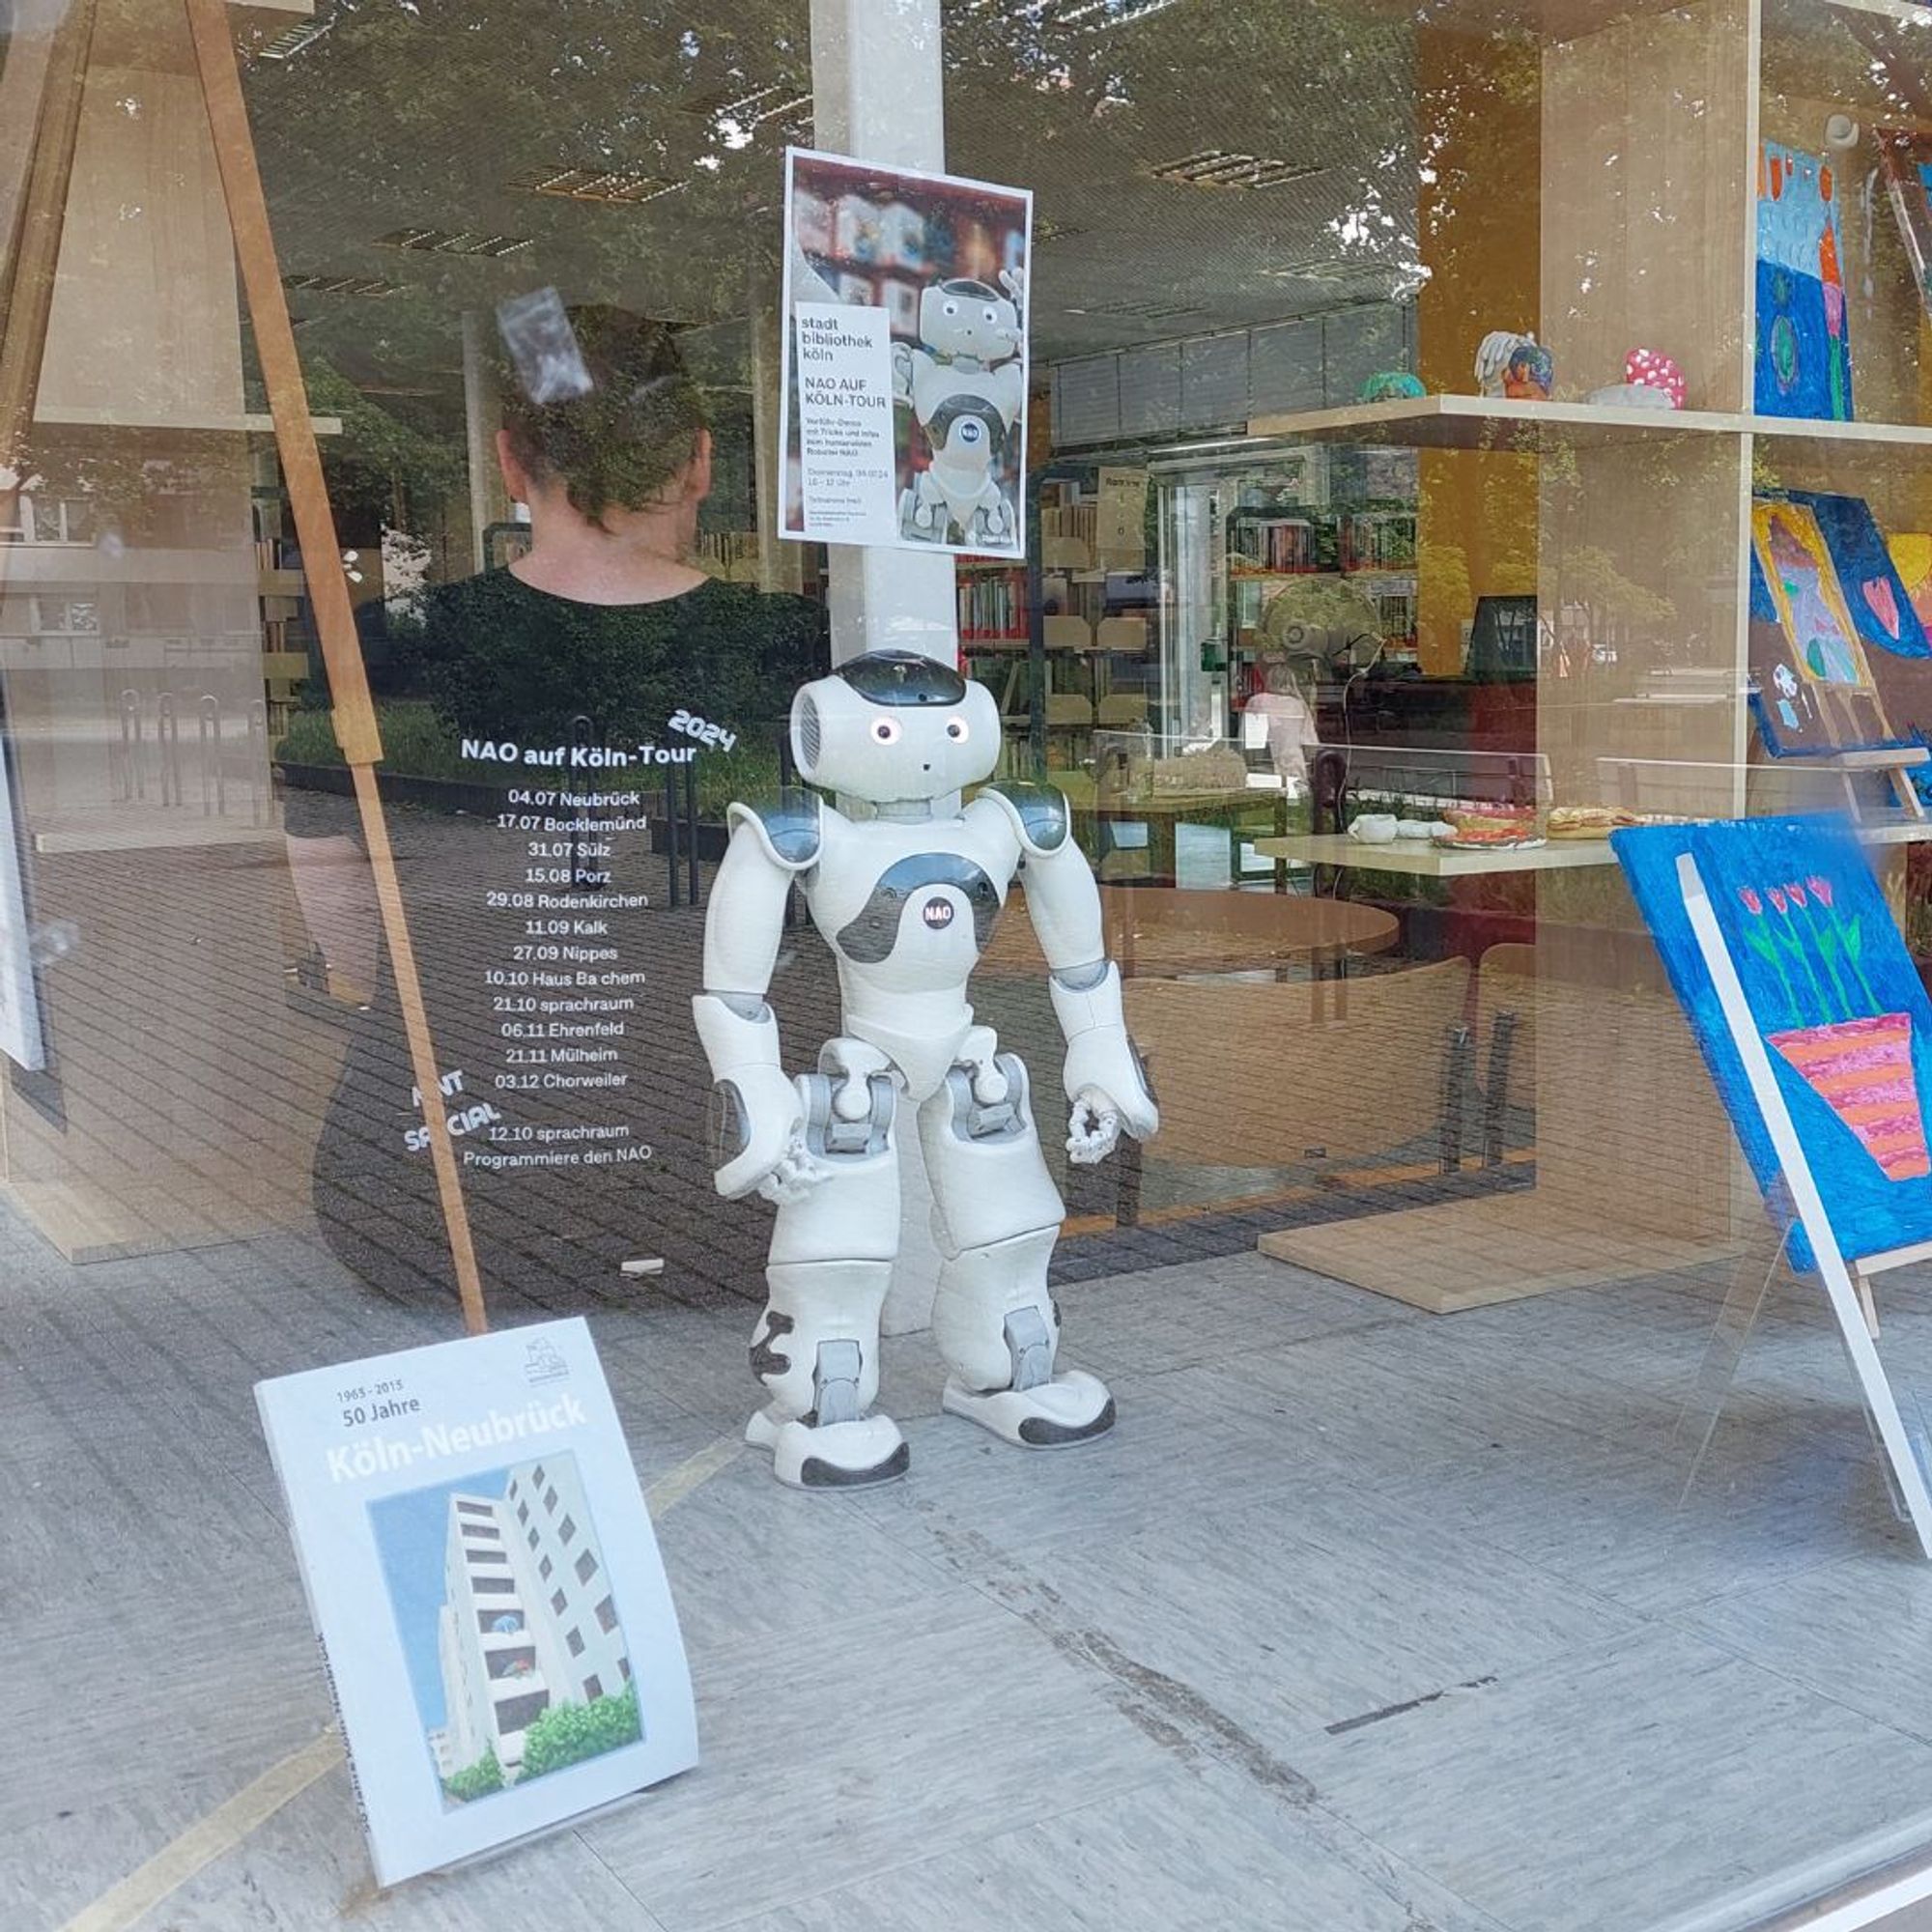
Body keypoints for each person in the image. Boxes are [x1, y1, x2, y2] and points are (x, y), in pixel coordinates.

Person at [296, 306, 829, 1315]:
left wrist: (398, 994)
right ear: (700, 464)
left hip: (435, 1210)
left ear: (508, 460)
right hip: (748, 1199)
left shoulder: (392, 648)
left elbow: (336, 891)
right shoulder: (791, 649)